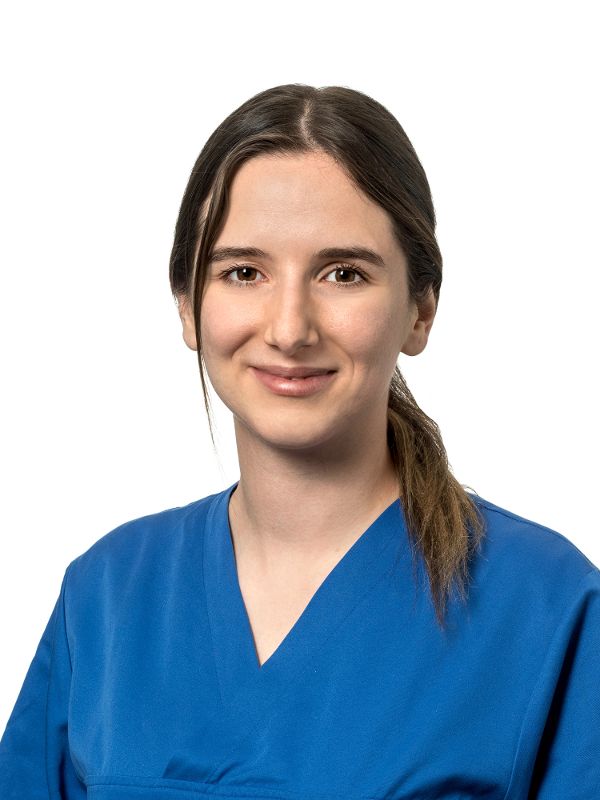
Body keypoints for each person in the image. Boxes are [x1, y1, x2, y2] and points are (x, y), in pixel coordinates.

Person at [0, 83, 598, 799]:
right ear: (188, 306)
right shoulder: (107, 597)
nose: (289, 328)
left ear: (420, 310)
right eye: (243, 272)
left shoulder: (547, 607)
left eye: (343, 274)